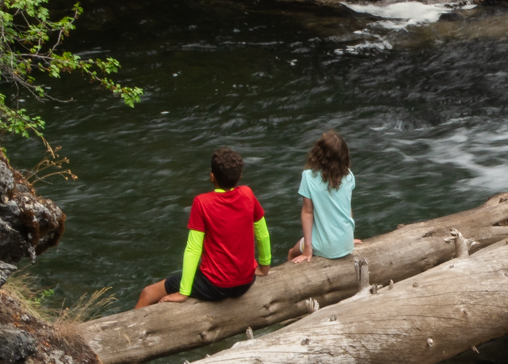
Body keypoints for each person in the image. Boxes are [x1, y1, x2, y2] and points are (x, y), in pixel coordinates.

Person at [136, 147, 271, 307]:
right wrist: (264, 267)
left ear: (212, 176)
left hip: (215, 286)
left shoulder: (202, 203)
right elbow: (262, 234)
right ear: (240, 176)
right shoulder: (248, 193)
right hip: (245, 283)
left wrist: (183, 292)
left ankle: (124, 332)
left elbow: (193, 249)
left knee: (148, 293)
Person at [288, 131, 359, 263]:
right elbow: (347, 208)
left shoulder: (308, 176)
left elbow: (307, 212)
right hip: (346, 242)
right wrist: (349, 237)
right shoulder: (349, 175)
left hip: (324, 247)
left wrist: (308, 248)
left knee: (292, 252)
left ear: (318, 154)